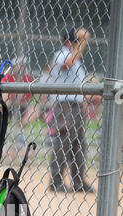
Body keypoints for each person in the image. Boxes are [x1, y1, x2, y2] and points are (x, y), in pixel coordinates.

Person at [49, 27, 94, 193]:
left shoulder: (76, 57)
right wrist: (81, 43)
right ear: (69, 42)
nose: (80, 45)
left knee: (79, 144)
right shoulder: (62, 54)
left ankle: (78, 181)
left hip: (76, 104)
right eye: (76, 42)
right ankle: (56, 181)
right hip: (65, 104)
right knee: (64, 141)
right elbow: (67, 64)